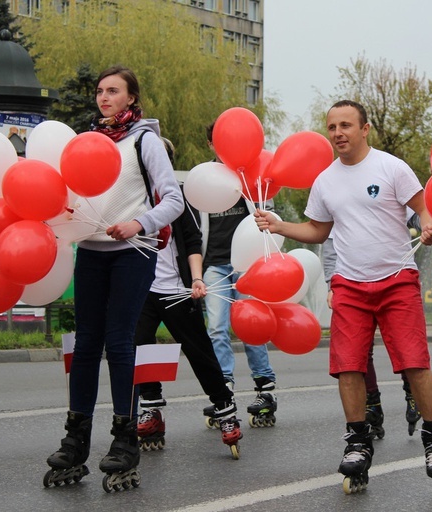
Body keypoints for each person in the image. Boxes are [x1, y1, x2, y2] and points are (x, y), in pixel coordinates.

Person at [254, 100, 432, 496]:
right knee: (348, 367)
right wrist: (281, 226)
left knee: (414, 363)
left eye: (346, 125)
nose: (338, 133)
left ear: (365, 129)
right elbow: (318, 230)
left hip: (397, 280)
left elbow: (423, 207)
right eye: (332, 127)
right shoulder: (325, 180)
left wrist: (429, 225)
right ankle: (358, 441)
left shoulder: (391, 167)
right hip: (350, 284)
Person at [44, 65, 184, 491]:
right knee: (86, 342)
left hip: (132, 252)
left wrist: (139, 223)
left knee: (120, 341)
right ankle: (76, 438)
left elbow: (175, 199)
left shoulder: (145, 140)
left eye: (113, 91)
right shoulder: (85, 142)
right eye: (100, 91)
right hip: (90, 250)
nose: (104, 97)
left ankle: (125, 439)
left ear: (130, 97)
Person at [134, 184, 242, 458]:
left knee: (199, 351)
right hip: (141, 290)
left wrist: (196, 278)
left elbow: (192, 240)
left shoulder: (174, 197)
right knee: (140, 347)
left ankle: (225, 410)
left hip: (177, 290)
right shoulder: (128, 196)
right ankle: (151, 409)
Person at [200, 121, 278, 428]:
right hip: (215, 265)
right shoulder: (204, 178)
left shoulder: (250, 176)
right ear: (211, 145)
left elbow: (269, 217)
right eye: (217, 143)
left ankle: (265, 388)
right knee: (216, 329)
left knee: (250, 327)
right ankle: (224, 389)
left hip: (246, 264)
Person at [322, 233, 421, 439]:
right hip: (352, 283)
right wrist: (331, 283)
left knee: (404, 345)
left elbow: (417, 213)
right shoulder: (337, 201)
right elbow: (330, 244)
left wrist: (427, 224)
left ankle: (412, 390)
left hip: (394, 277)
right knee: (358, 352)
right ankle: (372, 404)